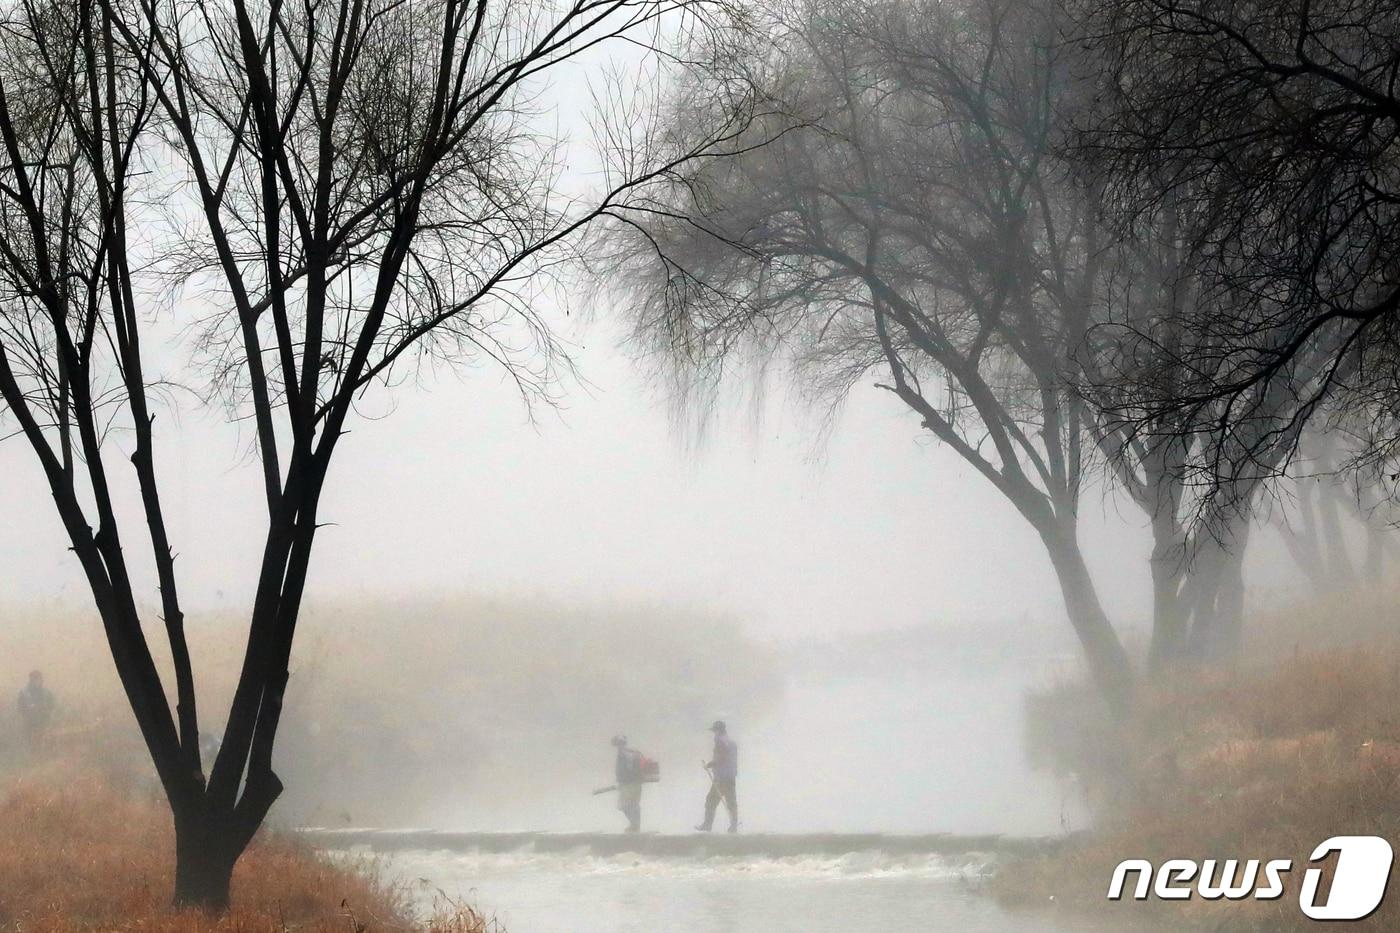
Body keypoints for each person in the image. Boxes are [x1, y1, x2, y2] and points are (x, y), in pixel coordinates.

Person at [696, 720, 738, 833]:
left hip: (721, 777)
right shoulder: (731, 742)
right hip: (731, 776)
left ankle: (707, 825)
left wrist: (710, 764)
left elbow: (721, 758)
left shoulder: (720, 741)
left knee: (711, 800)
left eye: (715, 731)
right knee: (731, 801)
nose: (714, 733)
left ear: (718, 731)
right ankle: (734, 825)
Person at [612, 735, 644, 833]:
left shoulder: (625, 754)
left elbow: (628, 770)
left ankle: (634, 826)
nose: (618, 746)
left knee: (625, 805)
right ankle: (635, 826)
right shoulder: (634, 752)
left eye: (618, 744)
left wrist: (623, 781)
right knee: (633, 805)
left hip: (628, 784)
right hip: (637, 782)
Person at [17, 670, 55, 751]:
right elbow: (20, 706)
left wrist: (46, 711)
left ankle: (42, 756)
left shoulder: (47, 692)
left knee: (42, 741)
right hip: (30, 722)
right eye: (35, 679)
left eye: (39, 679)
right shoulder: (24, 692)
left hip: (43, 721)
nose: (37, 681)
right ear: (31, 680)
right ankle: (34, 757)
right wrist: (28, 712)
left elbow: (52, 704)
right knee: (32, 743)